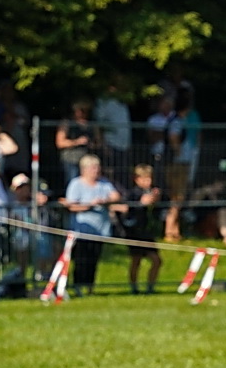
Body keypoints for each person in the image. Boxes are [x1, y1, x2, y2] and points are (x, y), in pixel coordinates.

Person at [62, 155, 119, 295]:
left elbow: (116, 196)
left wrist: (105, 200)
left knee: (94, 260)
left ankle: (90, 287)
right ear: (84, 169)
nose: (97, 170)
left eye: (98, 167)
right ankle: (77, 286)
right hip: (82, 231)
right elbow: (71, 206)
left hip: (100, 230)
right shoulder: (76, 184)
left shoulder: (104, 183)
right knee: (81, 260)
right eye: (93, 167)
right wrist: (89, 205)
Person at [114, 164, 164, 294]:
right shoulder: (132, 194)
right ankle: (134, 287)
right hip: (135, 232)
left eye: (150, 178)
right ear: (137, 179)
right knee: (136, 260)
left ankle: (150, 286)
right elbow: (128, 212)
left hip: (147, 232)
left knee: (156, 260)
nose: (149, 182)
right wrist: (141, 204)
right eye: (145, 179)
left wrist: (156, 201)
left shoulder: (152, 192)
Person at [164, 89, 202, 239]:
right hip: (178, 164)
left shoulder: (177, 120)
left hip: (181, 162)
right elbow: (173, 137)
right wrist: (178, 152)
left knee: (179, 197)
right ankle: (170, 229)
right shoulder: (177, 121)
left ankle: (175, 228)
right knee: (177, 196)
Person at [56, 102, 93, 184]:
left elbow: (98, 141)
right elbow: (60, 143)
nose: (83, 113)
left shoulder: (90, 125)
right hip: (71, 160)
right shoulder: (67, 123)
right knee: (72, 182)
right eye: (81, 110)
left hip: (86, 161)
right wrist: (77, 142)